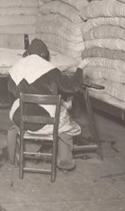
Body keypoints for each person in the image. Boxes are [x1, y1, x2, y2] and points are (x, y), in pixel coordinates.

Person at [7, 39, 89, 170]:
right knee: (67, 128)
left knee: (21, 112)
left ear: (28, 53)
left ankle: (28, 151)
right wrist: (80, 69)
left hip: (20, 117)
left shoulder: (15, 68)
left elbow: (12, 91)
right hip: (45, 120)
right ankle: (64, 162)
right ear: (44, 55)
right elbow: (72, 86)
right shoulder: (50, 69)